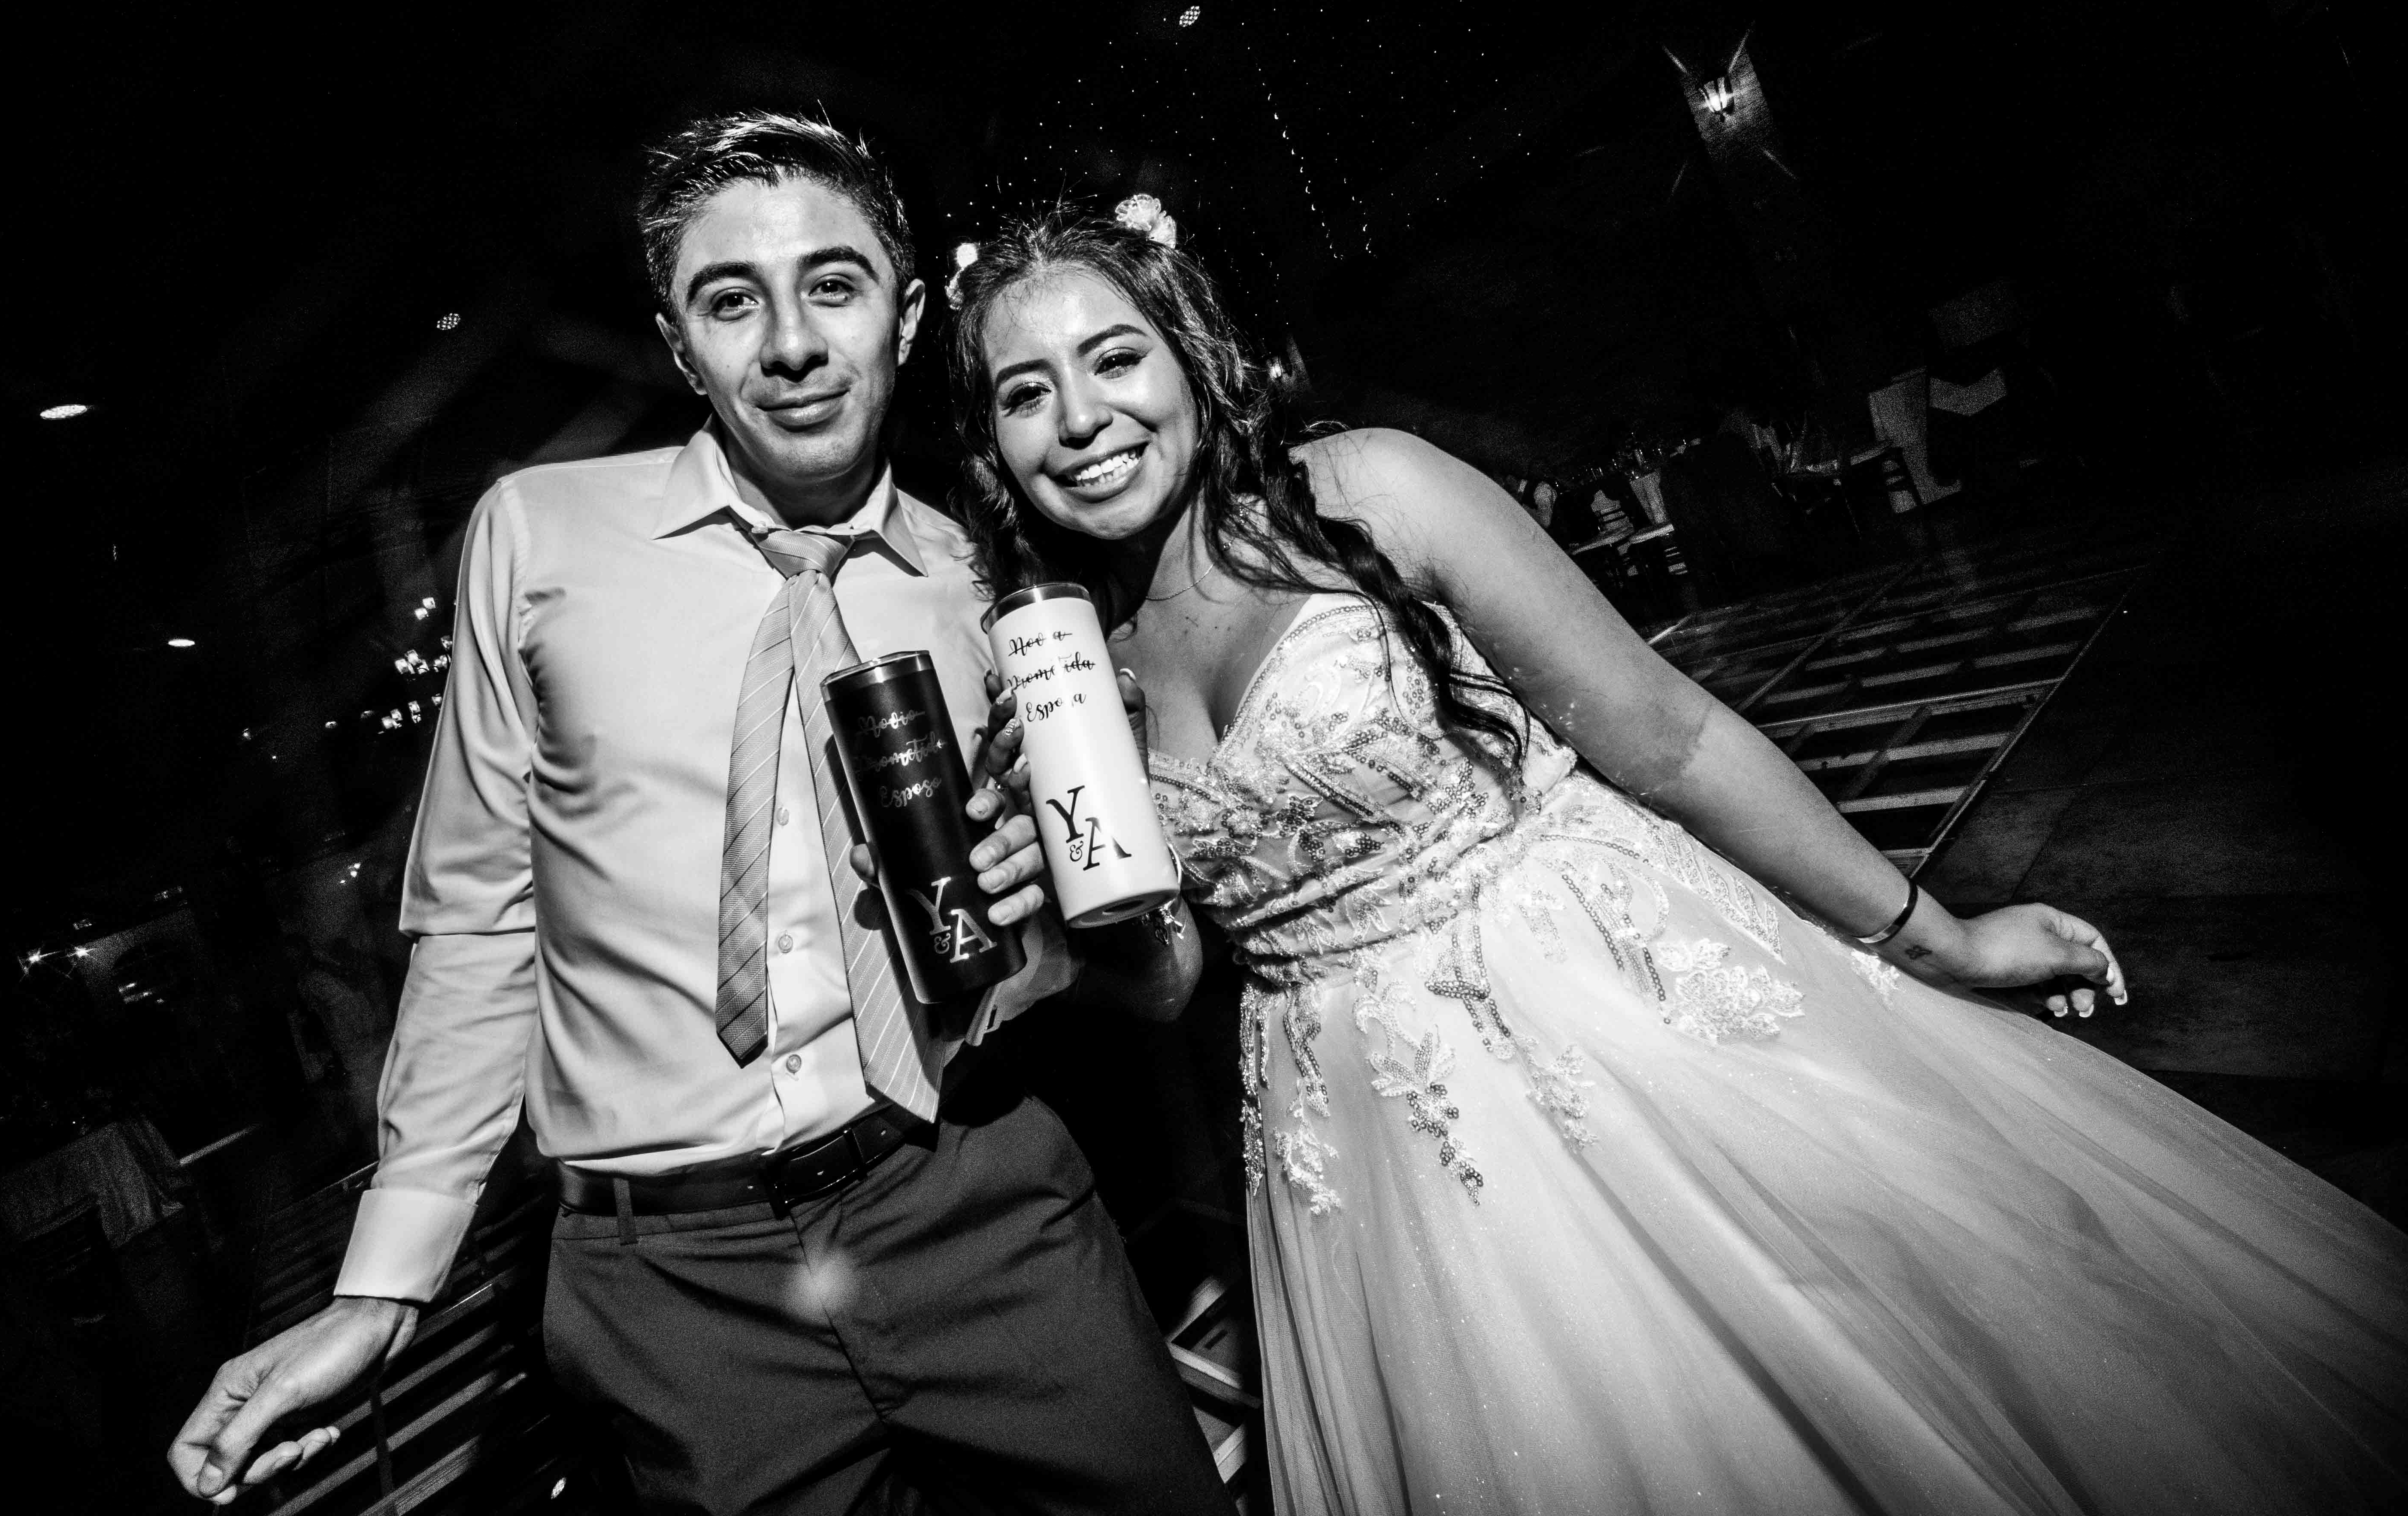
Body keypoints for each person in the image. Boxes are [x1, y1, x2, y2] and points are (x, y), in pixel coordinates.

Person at [946, 202, 2408, 1514]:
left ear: (1193, 358)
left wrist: (1939, 936)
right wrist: (1073, 920)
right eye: (1026, 392)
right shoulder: (1062, 663)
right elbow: (1172, 977)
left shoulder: (1367, 490)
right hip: (1361, 1144)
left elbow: (1670, 739)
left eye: (1114, 357)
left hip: (1608, 1004)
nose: (1080, 418)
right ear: (992, 444)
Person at [169, 118, 1231, 1515]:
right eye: (732, 302)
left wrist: (1046, 913)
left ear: (908, 316)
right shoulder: (538, 538)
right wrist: (386, 1281)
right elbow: (479, 923)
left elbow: (1090, 916)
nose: (790, 344)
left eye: (834, 286)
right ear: (680, 346)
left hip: (978, 1193)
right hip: (677, 1291)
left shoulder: (984, 576)